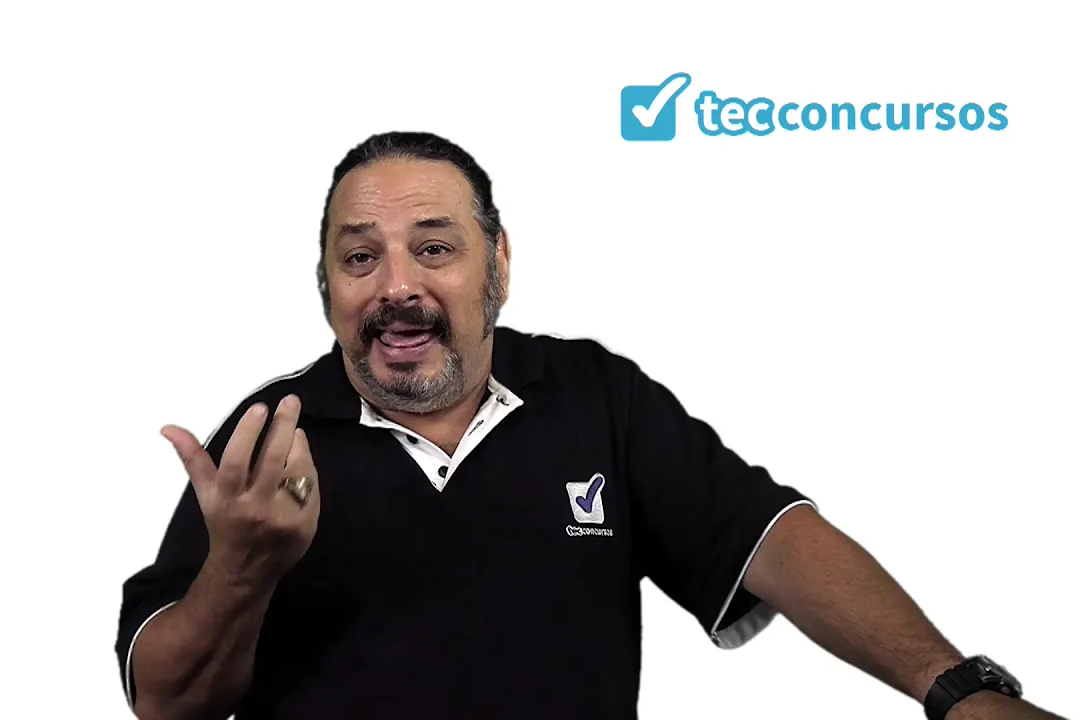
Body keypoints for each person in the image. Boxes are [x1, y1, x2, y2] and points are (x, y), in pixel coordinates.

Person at [114, 131, 1062, 720]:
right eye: (360, 258)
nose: (397, 285)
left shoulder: (593, 395)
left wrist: (954, 688)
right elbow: (163, 700)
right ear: (325, 287)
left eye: (434, 248)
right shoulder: (267, 439)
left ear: (499, 263)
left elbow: (768, 539)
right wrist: (244, 566)